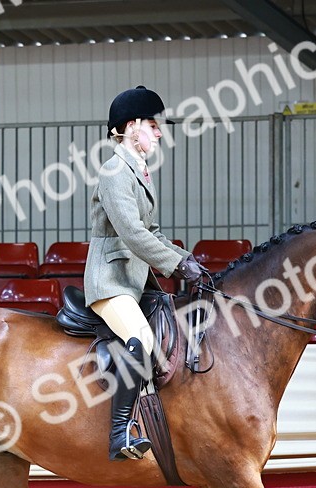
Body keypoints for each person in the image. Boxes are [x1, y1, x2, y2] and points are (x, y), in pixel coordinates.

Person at [85, 85, 207, 461]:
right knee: (140, 337)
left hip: (134, 281)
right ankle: (120, 433)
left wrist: (189, 260)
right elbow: (133, 233)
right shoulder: (114, 171)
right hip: (111, 281)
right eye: (153, 126)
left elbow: (153, 233)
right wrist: (175, 265)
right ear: (132, 125)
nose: (158, 133)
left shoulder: (139, 171)